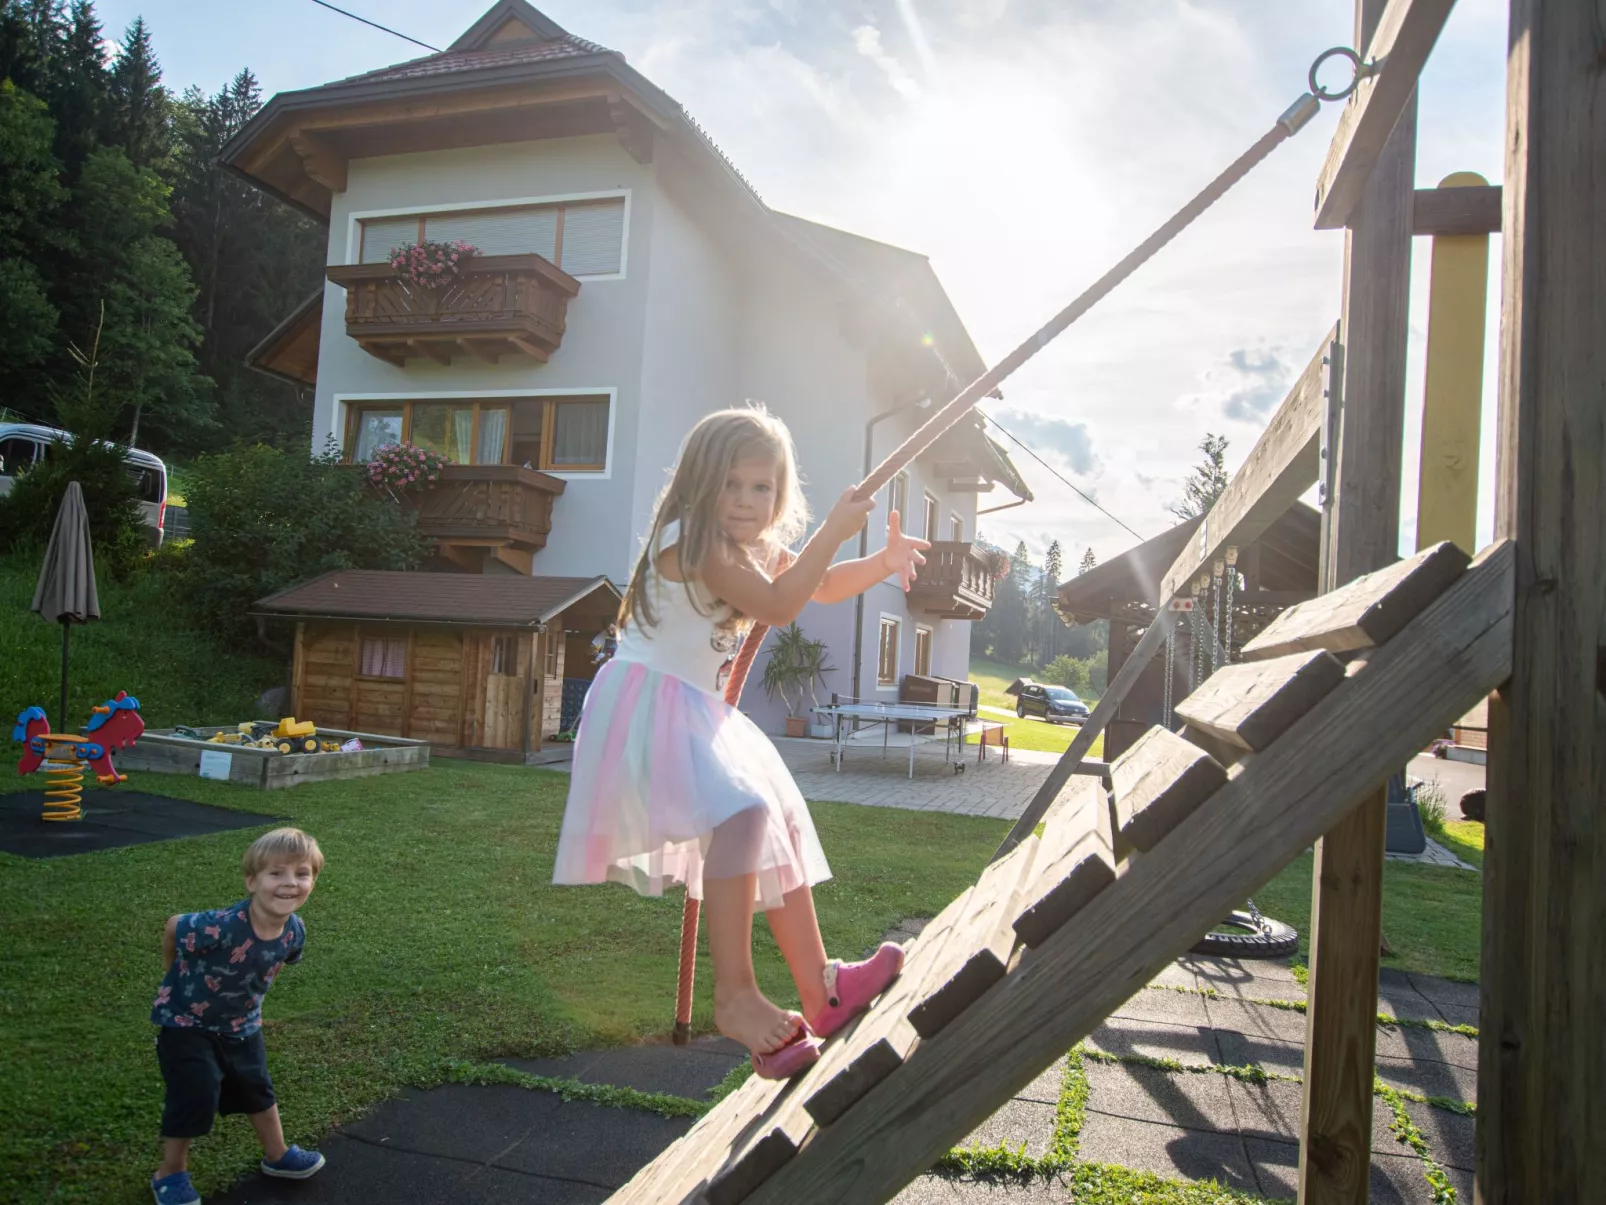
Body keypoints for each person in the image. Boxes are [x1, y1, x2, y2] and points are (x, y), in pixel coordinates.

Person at [554, 405, 930, 1078]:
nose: (749, 501)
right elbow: (781, 603)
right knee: (743, 814)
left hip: (691, 709)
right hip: (647, 708)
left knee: (772, 818)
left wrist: (878, 559)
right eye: (734, 485)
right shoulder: (690, 540)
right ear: (703, 484)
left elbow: (815, 584)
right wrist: (835, 529)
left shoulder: (746, 546)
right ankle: (736, 996)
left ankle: (823, 988)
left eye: (763, 488)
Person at [148, 828, 326, 1205]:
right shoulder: (222, 926)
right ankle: (170, 1172)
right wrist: (170, 980)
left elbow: (273, 964)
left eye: (302, 873)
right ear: (252, 881)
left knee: (257, 1087)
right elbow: (173, 926)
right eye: (276, 873)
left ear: (313, 881)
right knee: (194, 1092)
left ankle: (278, 1156)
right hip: (186, 1023)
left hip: (242, 1025)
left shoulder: (295, 932)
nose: (290, 883)